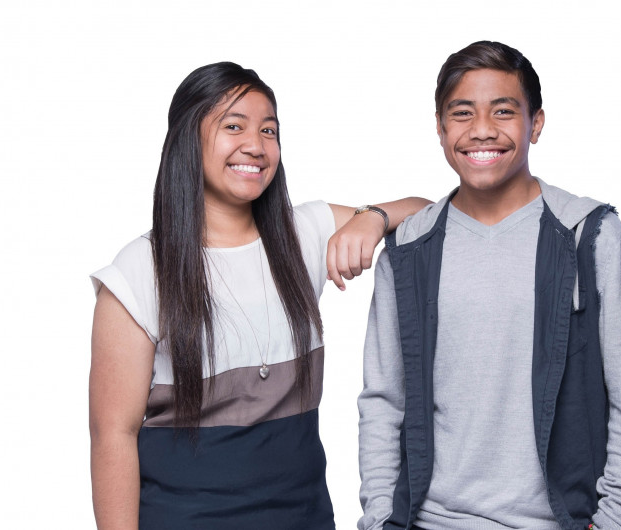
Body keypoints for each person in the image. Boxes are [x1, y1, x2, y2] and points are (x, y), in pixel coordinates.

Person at [89, 62, 429, 530]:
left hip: (304, 518)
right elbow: (113, 437)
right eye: (234, 126)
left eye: (269, 130)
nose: (256, 144)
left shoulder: (304, 232)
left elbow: (430, 216)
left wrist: (371, 216)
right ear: (188, 138)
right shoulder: (139, 271)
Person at [358, 41, 621, 530]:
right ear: (439, 128)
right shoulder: (408, 250)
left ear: (535, 123)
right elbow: (383, 400)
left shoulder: (590, 235)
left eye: (503, 111)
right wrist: (378, 518)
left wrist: (614, 520)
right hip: (429, 520)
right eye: (462, 113)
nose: (482, 130)